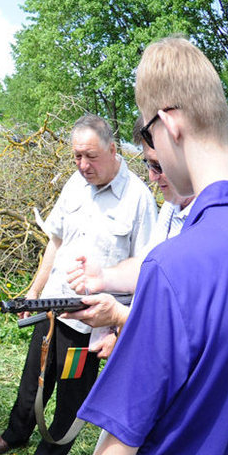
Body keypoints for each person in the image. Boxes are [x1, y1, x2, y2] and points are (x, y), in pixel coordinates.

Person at [30, 36, 228, 455]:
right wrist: (110, 285)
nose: (148, 153)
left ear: (169, 122)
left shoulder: (174, 265)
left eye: (145, 135)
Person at [0, 114, 157, 455]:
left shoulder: (139, 200)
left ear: (113, 150)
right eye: (76, 156)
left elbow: (147, 271)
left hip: (91, 324)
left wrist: (118, 328)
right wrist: (34, 291)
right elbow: (56, 241)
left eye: (90, 156)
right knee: (33, 381)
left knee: (71, 395)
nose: (82, 165)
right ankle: (16, 434)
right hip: (51, 312)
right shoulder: (74, 185)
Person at [62, 118, 197, 341]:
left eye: (159, 166)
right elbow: (146, 267)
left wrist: (120, 318)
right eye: (149, 165)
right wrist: (103, 277)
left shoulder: (204, 224)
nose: (152, 177)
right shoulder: (170, 208)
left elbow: (184, 320)